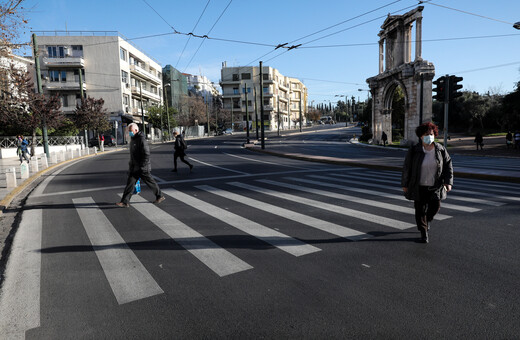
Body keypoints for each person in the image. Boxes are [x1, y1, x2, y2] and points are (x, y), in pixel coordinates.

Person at [401, 122, 453, 243]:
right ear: (420, 136)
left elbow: (448, 166)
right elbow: (407, 167)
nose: (429, 136)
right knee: (420, 210)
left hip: (435, 186)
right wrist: (405, 184)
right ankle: (424, 233)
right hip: (418, 186)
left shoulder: (440, 149)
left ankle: (427, 220)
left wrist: (448, 182)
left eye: (431, 134)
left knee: (435, 206)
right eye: (426, 134)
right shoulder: (414, 150)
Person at [117, 123, 165, 208]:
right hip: (135, 167)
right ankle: (125, 201)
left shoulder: (141, 139)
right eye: (129, 131)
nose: (129, 132)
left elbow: (146, 154)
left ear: (136, 130)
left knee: (150, 182)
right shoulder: (133, 139)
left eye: (130, 131)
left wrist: (142, 166)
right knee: (130, 184)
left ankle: (159, 196)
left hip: (142, 168)